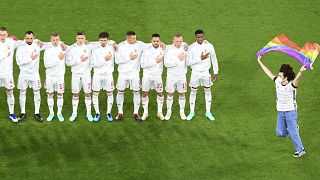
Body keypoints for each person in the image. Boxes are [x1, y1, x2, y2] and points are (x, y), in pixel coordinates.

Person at [257, 55, 307, 157]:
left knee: (293, 132)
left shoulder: (291, 85)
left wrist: (301, 71)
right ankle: (294, 130)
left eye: (280, 75)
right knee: (280, 133)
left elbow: (297, 79)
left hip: (291, 111)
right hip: (280, 111)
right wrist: (259, 61)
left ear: (286, 77)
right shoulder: (277, 82)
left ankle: (301, 149)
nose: (278, 77)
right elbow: (268, 72)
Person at [186, 29, 219, 121]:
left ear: (204, 36)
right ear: (195, 37)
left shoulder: (209, 46)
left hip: (205, 72)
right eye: (198, 37)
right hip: (195, 72)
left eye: (201, 37)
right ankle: (191, 112)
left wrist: (216, 72)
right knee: (193, 91)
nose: (200, 39)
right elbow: (188, 63)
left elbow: (214, 59)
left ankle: (208, 112)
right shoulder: (191, 47)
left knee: (208, 91)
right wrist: (200, 59)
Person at [114, 31, 146, 121]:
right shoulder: (120, 46)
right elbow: (117, 60)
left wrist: (162, 43)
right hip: (123, 74)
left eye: (135, 37)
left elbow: (152, 44)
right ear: (127, 38)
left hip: (135, 74)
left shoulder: (140, 44)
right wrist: (129, 58)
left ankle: (136, 112)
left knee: (136, 92)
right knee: (120, 91)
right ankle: (120, 112)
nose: (135, 40)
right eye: (133, 38)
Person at [66, 31, 94, 122]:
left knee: (88, 94)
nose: (81, 40)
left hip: (86, 75)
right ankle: (74, 113)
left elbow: (102, 43)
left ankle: (89, 113)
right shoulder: (71, 48)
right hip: (76, 75)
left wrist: (113, 43)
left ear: (85, 38)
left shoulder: (89, 46)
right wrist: (79, 60)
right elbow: (68, 62)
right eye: (79, 38)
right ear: (76, 38)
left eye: (82, 38)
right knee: (75, 94)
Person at [16, 31, 43, 122]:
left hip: (35, 74)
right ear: (25, 38)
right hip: (23, 74)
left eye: (31, 38)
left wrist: (62, 44)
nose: (29, 40)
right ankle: (22, 112)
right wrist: (30, 58)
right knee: (22, 92)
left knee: (37, 92)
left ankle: (37, 113)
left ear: (33, 37)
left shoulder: (37, 44)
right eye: (27, 38)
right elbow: (19, 62)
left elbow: (50, 44)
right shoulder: (20, 47)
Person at [0, 26, 24, 122]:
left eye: (4, 35)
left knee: (10, 92)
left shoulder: (11, 42)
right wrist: (6, 54)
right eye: (0, 35)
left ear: (7, 35)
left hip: (7, 73)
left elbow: (24, 42)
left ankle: (11, 113)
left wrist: (38, 42)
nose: (2, 37)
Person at [43, 32, 67, 122]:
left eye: (57, 39)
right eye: (53, 40)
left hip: (60, 76)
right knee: (50, 94)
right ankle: (51, 113)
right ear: (51, 40)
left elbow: (74, 46)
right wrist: (58, 59)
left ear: (59, 39)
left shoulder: (63, 48)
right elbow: (47, 64)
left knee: (60, 94)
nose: (55, 41)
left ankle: (59, 113)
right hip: (50, 76)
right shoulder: (48, 50)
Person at [91, 32, 115, 122]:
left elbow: (114, 42)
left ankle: (108, 112)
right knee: (96, 93)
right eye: (101, 40)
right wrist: (104, 59)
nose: (103, 42)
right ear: (99, 41)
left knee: (110, 93)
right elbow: (93, 64)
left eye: (105, 40)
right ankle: (97, 113)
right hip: (97, 75)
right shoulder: (95, 50)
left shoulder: (112, 48)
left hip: (108, 75)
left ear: (108, 40)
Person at [140, 33, 165, 121]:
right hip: (147, 76)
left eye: (157, 41)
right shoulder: (146, 50)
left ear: (160, 41)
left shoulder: (163, 49)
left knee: (160, 93)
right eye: (154, 41)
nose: (155, 43)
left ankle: (159, 112)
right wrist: (155, 61)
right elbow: (143, 65)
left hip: (158, 76)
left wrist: (185, 44)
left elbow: (176, 44)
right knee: (144, 93)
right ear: (151, 41)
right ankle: (145, 112)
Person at [164, 34, 188, 120]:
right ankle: (168, 111)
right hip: (171, 76)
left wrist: (205, 41)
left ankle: (182, 111)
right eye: (177, 41)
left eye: (180, 41)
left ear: (182, 41)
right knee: (170, 93)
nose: (178, 43)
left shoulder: (185, 48)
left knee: (182, 93)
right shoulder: (169, 50)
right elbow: (166, 63)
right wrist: (177, 60)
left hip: (182, 76)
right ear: (173, 41)